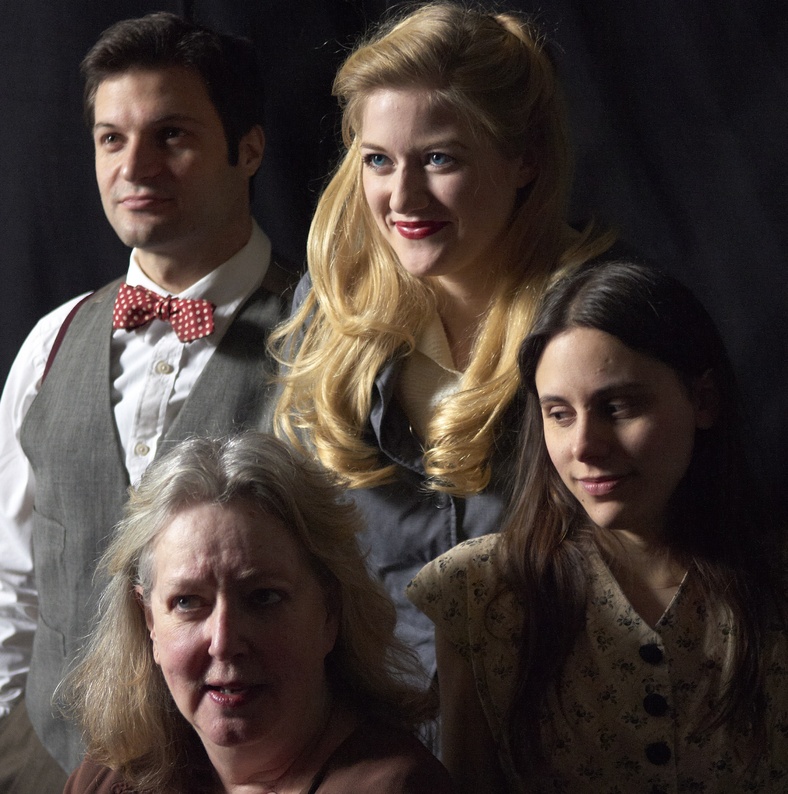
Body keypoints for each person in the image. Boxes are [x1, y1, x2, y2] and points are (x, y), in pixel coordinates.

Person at [271, 2, 614, 687]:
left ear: (524, 160)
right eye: (377, 160)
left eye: (438, 158)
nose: (403, 196)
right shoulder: (326, 312)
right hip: (376, 737)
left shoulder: (598, 321)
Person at [0, 12, 294, 787]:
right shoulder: (51, 341)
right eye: (111, 138)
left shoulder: (330, 343)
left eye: (171, 136)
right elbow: (11, 578)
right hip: (52, 766)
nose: (135, 166)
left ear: (249, 149)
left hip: (254, 770)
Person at [407, 260, 788, 792]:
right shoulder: (481, 592)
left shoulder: (774, 580)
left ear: (703, 400)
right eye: (559, 414)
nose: (584, 446)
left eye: (617, 406)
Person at [59, 433, 455, 794]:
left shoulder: (398, 787)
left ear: (329, 612)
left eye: (263, 597)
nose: (225, 641)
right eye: (188, 602)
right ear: (148, 621)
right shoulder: (111, 778)